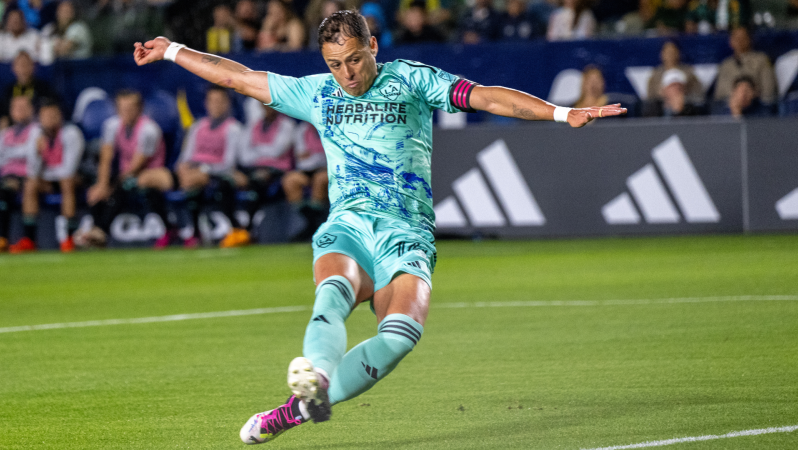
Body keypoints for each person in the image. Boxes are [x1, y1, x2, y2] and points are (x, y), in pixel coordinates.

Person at [133, 10, 624, 443]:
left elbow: (485, 97)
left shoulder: (411, 79)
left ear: (372, 45)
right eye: (335, 64)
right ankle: (316, 377)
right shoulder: (316, 93)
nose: (347, 74)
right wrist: (172, 50)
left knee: (400, 337)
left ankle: (296, 409)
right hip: (348, 225)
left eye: (354, 59)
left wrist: (561, 112)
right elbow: (237, 77)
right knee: (332, 295)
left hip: (406, 232)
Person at [141, 86, 247, 249]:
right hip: (191, 172)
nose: (216, 105)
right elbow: (185, 157)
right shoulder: (198, 126)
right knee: (147, 179)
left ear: (227, 104)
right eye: (212, 101)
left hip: (214, 174)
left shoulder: (234, 128)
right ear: (206, 103)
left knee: (194, 181)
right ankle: (170, 228)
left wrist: (203, 170)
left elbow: (228, 164)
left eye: (220, 101)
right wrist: (183, 168)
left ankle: (196, 232)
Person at [78, 89, 166, 248]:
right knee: (97, 190)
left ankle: (100, 230)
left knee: (122, 186)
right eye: (122, 108)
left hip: (147, 174)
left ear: (139, 109)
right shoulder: (111, 125)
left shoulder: (149, 130)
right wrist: (102, 185)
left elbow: (136, 166)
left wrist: (110, 187)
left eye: (131, 108)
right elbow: (106, 159)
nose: (126, 112)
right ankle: (97, 232)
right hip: (124, 174)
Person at [9, 99, 84, 253]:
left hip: (72, 178)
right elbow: (33, 170)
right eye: (46, 116)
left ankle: (69, 238)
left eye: (53, 115)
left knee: (67, 183)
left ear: (60, 116)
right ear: (40, 118)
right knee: (30, 184)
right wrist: (38, 153)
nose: (49, 120)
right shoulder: (35, 134)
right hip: (47, 179)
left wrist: (48, 178)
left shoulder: (71, 133)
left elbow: (69, 169)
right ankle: (29, 239)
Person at [234, 104, 296, 234]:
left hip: (277, 171)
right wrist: (264, 151)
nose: (268, 106)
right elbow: (244, 156)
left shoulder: (287, 125)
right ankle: (235, 227)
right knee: (229, 182)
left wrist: (256, 149)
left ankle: (248, 228)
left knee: (258, 181)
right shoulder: (253, 126)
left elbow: (277, 151)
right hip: (253, 169)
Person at [0, 95, 38, 253]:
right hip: (6, 177)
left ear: (31, 110)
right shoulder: (5, 133)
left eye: (23, 108)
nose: (20, 111)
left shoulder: (36, 131)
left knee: (5, 192)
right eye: (16, 108)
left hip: (27, 176)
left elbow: (33, 158)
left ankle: (15, 238)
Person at [282, 119, 328, 240]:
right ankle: (310, 222)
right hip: (307, 170)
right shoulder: (302, 130)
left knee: (320, 179)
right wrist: (316, 156)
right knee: (290, 180)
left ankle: (312, 226)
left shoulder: (332, 127)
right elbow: (301, 156)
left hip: (328, 169)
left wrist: (312, 155)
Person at [714, 27, 777, 104]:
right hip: (729, 106)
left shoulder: (761, 60)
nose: (739, 41)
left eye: (743, 38)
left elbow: (768, 91)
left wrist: (748, 94)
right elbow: (719, 95)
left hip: (756, 105)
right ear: (730, 42)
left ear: (750, 40)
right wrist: (736, 97)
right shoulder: (725, 65)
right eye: (736, 38)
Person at [0, 51, 57, 130]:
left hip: (38, 127)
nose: (23, 69)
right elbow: (3, 114)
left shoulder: (43, 88)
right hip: (13, 128)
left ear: (33, 67)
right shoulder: (8, 90)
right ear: (13, 68)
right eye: (20, 65)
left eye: (26, 64)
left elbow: (52, 108)